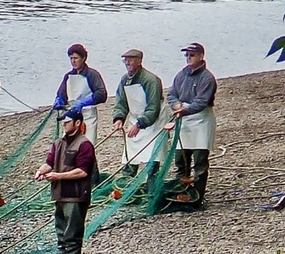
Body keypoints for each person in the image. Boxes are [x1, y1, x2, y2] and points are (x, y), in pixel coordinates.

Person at [34, 108, 96, 254]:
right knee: (61, 238)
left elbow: (83, 171)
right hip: (60, 196)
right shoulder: (58, 143)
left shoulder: (85, 145)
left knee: (72, 239)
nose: (64, 124)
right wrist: (41, 171)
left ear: (78, 123)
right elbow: (49, 162)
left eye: (67, 121)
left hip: (76, 198)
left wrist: (57, 176)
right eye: (63, 121)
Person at [163, 42, 217, 206]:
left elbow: (202, 101)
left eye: (191, 55)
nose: (188, 58)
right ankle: (182, 193)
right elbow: (171, 94)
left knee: (200, 161)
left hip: (201, 121)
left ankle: (197, 197)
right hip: (184, 120)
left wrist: (184, 110)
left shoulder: (207, 78)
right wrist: (176, 105)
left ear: (201, 56)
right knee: (181, 160)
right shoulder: (181, 75)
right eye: (186, 55)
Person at [111, 49, 169, 178]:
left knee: (152, 159)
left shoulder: (151, 80)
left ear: (139, 61)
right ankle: (126, 187)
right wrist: (119, 118)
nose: (127, 62)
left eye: (131, 59)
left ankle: (151, 190)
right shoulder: (124, 80)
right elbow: (121, 102)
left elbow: (153, 108)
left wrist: (140, 124)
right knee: (130, 158)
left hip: (154, 124)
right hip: (135, 119)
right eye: (125, 60)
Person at [53, 43, 107, 145]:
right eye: (71, 58)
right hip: (71, 116)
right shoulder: (68, 76)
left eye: (76, 58)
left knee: (87, 146)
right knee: (68, 146)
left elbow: (101, 94)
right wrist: (59, 100)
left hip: (88, 116)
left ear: (83, 58)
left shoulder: (92, 74)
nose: (73, 61)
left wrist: (83, 102)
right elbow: (62, 93)